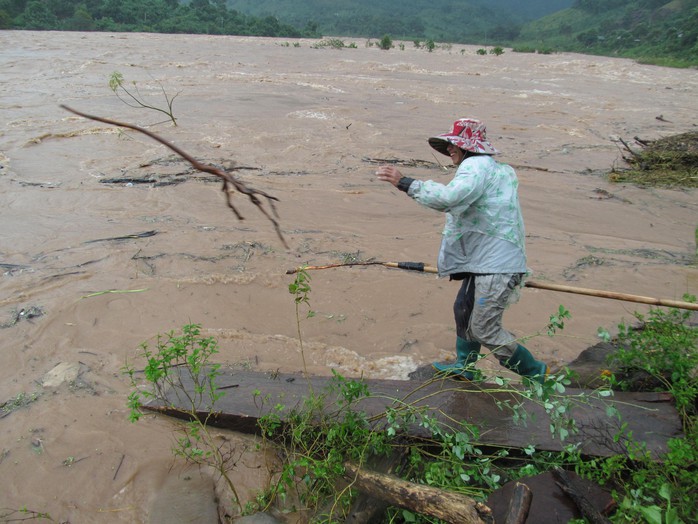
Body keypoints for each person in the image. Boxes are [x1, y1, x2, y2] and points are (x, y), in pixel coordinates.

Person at [375, 118, 548, 384]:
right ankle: (464, 366)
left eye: (454, 145)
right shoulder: (498, 169)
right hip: (485, 259)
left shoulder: (475, 166)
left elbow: (449, 199)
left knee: (485, 329)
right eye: (449, 145)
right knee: (463, 309)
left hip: (496, 263)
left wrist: (405, 182)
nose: (450, 150)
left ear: (468, 148)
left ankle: (537, 374)